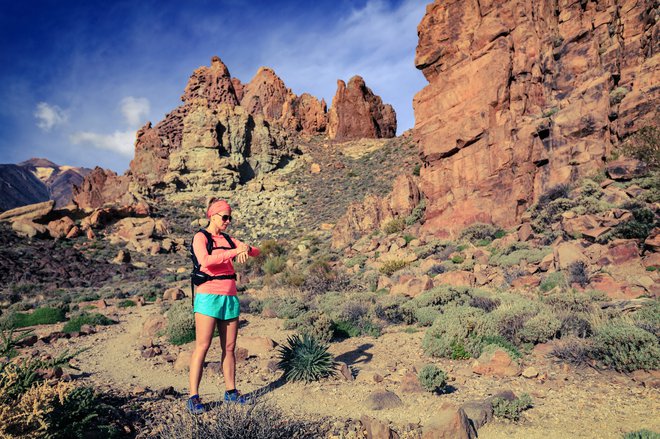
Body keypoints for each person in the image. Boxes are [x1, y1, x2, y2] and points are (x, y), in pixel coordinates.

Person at [186, 198, 260, 414]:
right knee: (203, 346)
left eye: (230, 217)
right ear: (213, 215)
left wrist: (246, 248)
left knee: (229, 348)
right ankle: (193, 396)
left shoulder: (229, 239)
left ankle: (231, 391)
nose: (228, 221)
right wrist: (235, 252)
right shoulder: (201, 237)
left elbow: (256, 252)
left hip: (230, 297)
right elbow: (205, 261)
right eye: (224, 217)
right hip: (208, 296)